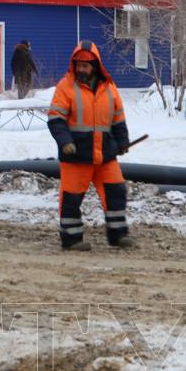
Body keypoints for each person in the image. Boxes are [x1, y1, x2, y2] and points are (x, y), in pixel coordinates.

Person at [46, 40, 134, 251]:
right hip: (76, 154)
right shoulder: (65, 87)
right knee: (71, 198)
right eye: (78, 64)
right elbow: (56, 119)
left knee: (116, 192)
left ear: (95, 65)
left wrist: (122, 141)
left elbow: (118, 119)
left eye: (85, 65)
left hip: (105, 154)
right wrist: (65, 142)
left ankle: (118, 236)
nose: (81, 69)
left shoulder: (110, 88)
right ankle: (72, 239)